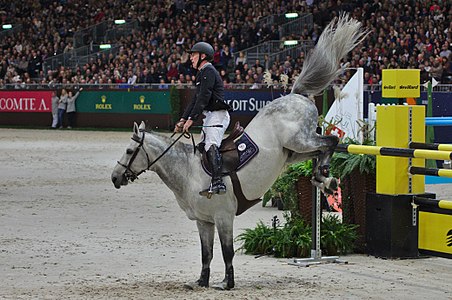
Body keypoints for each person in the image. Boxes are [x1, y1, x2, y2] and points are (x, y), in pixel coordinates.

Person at [174, 41, 232, 197]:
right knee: (202, 147)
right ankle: (208, 181)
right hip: (210, 115)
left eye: (193, 54)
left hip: (218, 114)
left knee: (211, 145)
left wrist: (191, 120)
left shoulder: (209, 71)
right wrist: (183, 119)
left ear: (203, 56)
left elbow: (203, 99)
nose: (191, 58)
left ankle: (219, 181)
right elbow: (195, 100)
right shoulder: (201, 73)